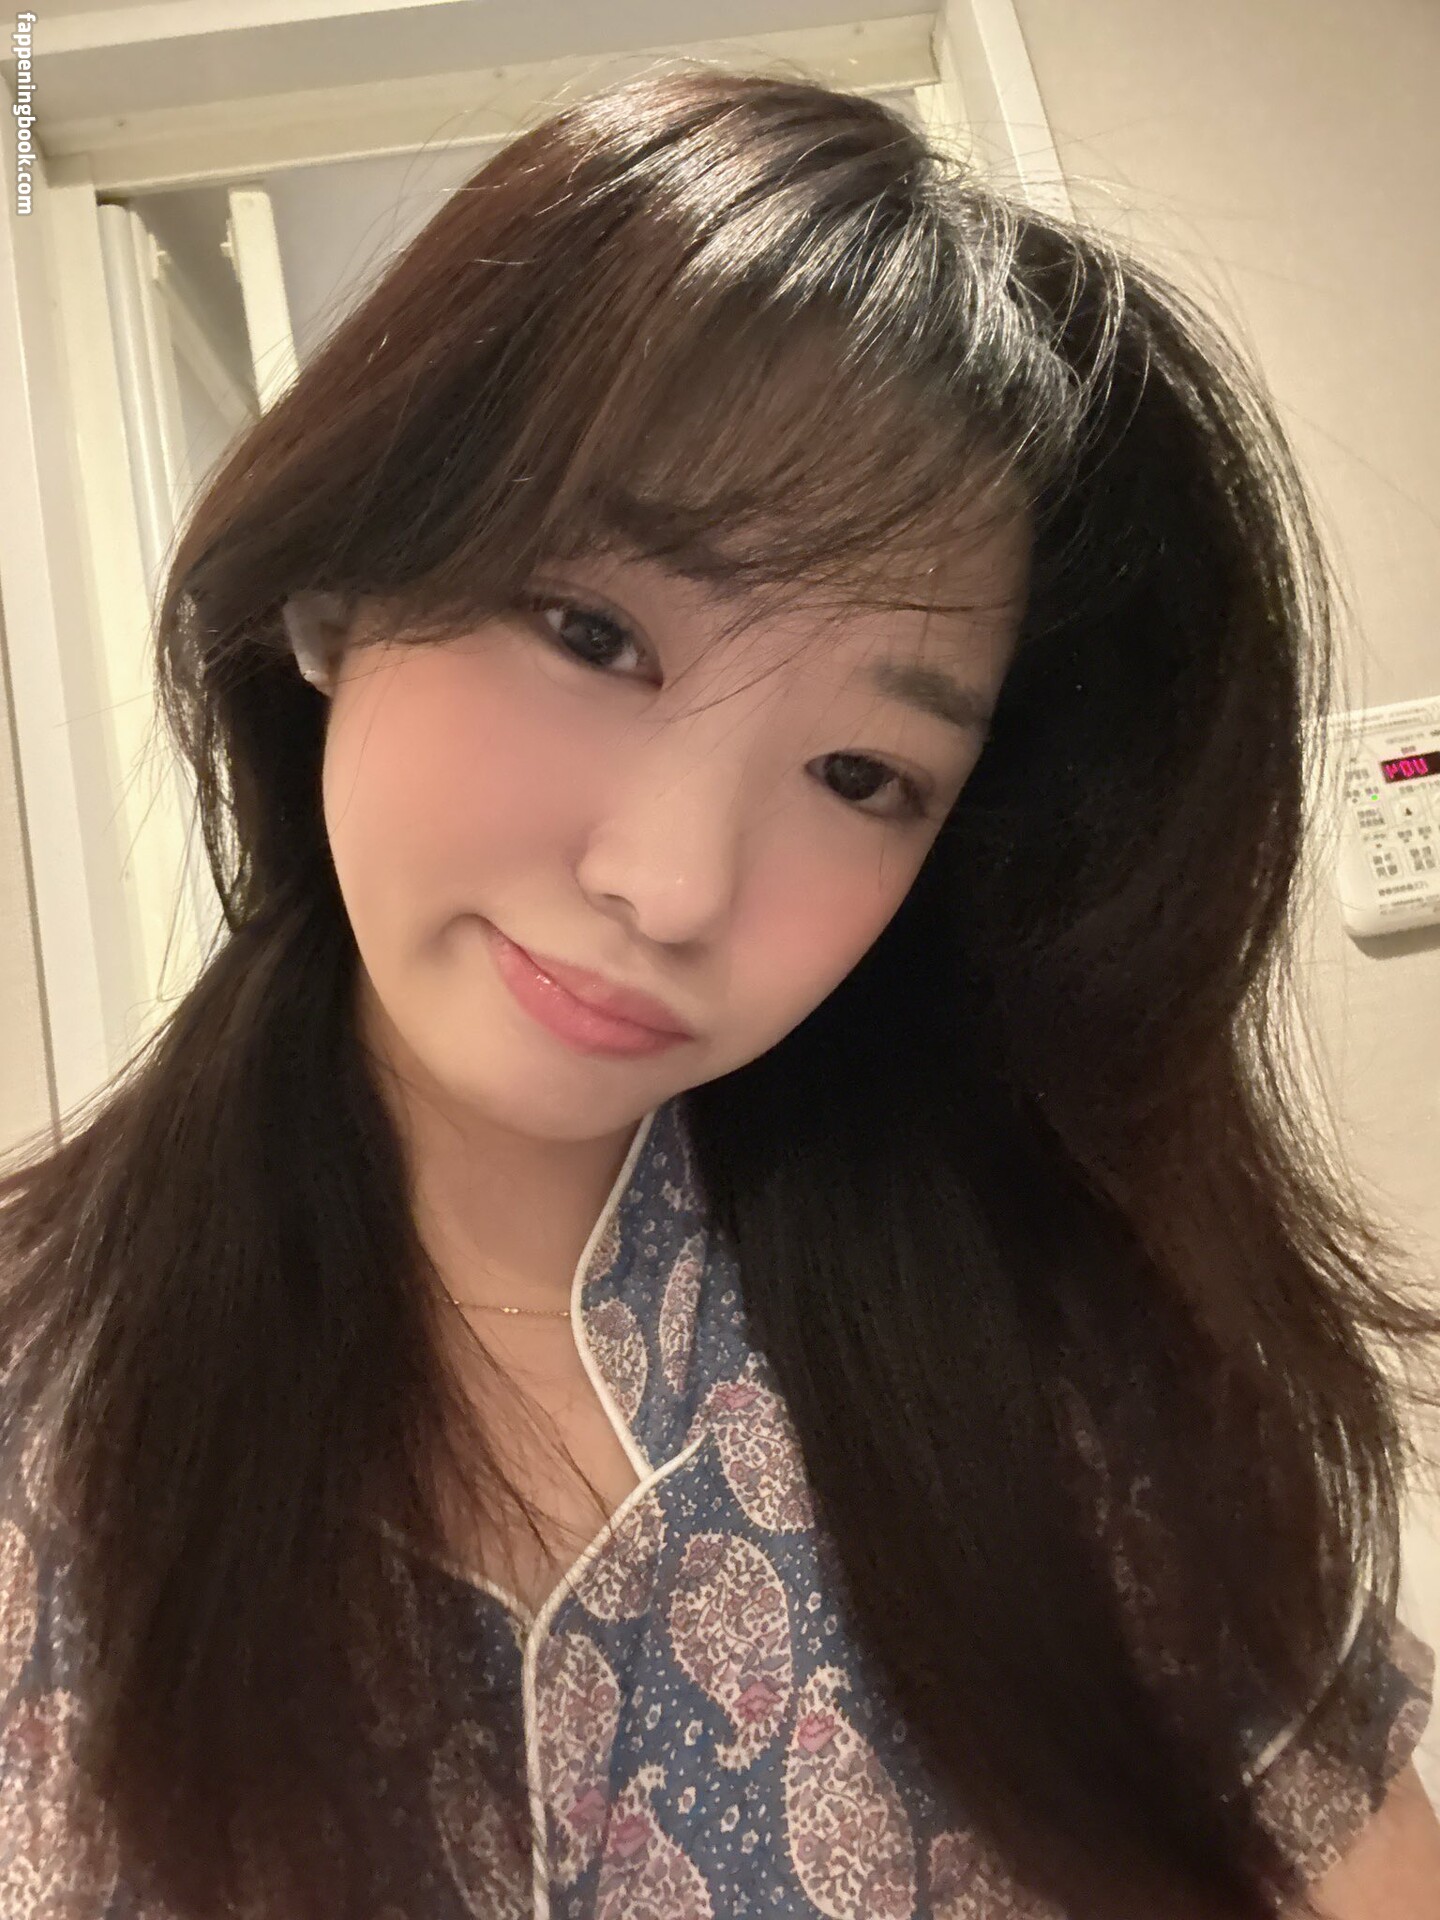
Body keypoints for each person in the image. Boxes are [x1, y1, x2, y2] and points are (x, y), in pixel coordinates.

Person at [0, 65, 1437, 1920]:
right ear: (344, 583)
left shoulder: (1062, 1370)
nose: (671, 886)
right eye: (593, 633)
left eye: (862, 775)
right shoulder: (41, 1389)